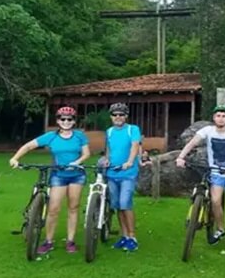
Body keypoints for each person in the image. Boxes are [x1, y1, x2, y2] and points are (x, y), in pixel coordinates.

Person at [9, 106, 90, 254]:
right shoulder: (50, 136)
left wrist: (77, 162)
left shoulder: (79, 136)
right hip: (58, 175)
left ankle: (70, 241)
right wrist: (15, 158)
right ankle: (49, 241)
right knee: (53, 209)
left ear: (74, 121)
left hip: (76, 175)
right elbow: (28, 146)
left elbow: (86, 154)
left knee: (73, 207)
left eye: (69, 119)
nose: (66, 122)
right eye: (62, 119)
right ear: (58, 120)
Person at [176, 104, 225, 251]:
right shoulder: (207, 130)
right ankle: (220, 228)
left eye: (224, 116)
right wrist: (181, 157)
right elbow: (192, 142)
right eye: (218, 116)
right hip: (216, 172)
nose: (221, 118)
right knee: (215, 201)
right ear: (214, 118)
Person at [104, 102, 142, 252]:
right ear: (111, 117)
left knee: (125, 203)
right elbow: (109, 149)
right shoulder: (109, 132)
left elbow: (135, 145)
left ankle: (132, 237)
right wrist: (106, 159)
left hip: (127, 173)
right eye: (115, 115)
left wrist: (130, 161)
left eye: (121, 114)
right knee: (117, 205)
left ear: (126, 116)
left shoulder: (132, 129)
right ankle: (124, 235)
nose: (118, 117)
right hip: (112, 172)